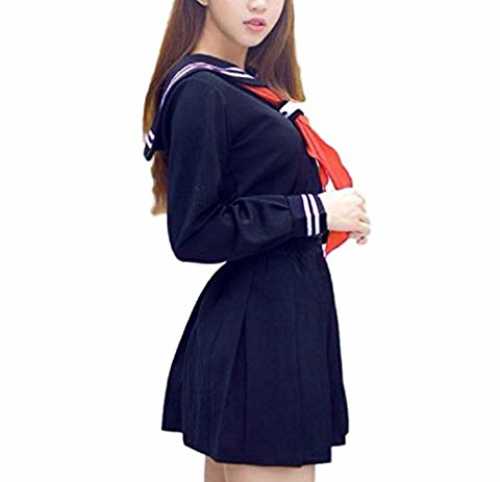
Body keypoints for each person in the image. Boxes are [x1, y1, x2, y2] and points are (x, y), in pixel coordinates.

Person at [142, 1, 371, 481]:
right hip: (262, 334)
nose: (260, 4)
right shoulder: (202, 90)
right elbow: (194, 232)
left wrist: (321, 216)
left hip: (277, 322)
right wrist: (315, 211)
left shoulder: (244, 89)